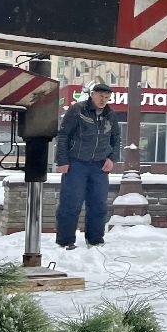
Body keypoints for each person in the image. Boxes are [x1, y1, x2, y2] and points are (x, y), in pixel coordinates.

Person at [55, 81, 119, 249]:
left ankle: (95, 240)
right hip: (76, 164)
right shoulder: (78, 110)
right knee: (71, 203)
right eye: (100, 96)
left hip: (99, 167)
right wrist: (62, 161)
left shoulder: (110, 115)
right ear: (92, 95)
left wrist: (112, 158)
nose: (103, 100)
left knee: (98, 204)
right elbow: (63, 136)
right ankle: (65, 241)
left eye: (106, 97)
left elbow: (116, 139)